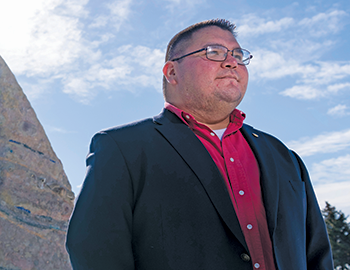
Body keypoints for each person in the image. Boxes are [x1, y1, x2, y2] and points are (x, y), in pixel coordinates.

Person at [66, 19, 333, 270]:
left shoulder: (284, 157)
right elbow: (95, 251)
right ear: (172, 71)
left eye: (238, 56)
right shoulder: (122, 148)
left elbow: (317, 255)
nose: (232, 63)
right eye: (214, 52)